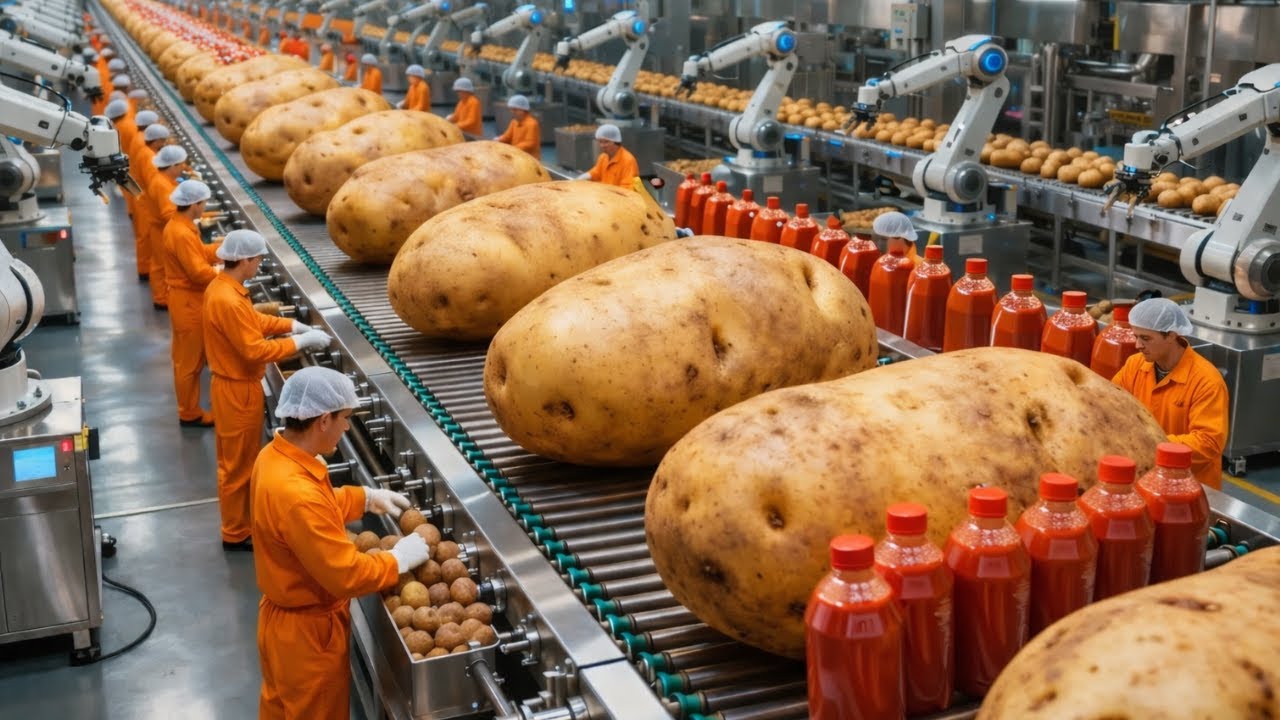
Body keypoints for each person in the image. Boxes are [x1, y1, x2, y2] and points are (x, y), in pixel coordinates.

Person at [253, 366, 430, 720]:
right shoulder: (297, 494)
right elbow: (345, 575)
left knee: (280, 710)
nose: (347, 427)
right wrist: (396, 560)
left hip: (281, 625)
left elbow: (311, 511)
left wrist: (362, 498)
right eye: (345, 418)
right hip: (307, 638)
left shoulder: (275, 457)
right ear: (322, 421)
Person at [204, 230, 329, 551]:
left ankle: (240, 523)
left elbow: (253, 322)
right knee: (237, 466)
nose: (259, 265)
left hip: (235, 387)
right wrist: (299, 343)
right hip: (237, 390)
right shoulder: (227, 299)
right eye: (258, 260)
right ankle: (235, 532)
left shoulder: (225, 288)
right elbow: (254, 351)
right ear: (244, 259)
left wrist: (291, 326)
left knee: (237, 462)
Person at [1112, 298, 1229, 489]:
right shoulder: (1135, 365)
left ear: (1171, 335)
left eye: (1146, 338)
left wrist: (1150, 442)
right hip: (1144, 477)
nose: (1137, 345)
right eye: (1136, 337)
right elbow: (1111, 405)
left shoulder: (1206, 381)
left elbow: (1208, 442)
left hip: (1189, 488)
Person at [161, 179, 224, 428]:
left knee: (185, 358)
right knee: (190, 362)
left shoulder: (182, 225)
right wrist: (222, 273)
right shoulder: (181, 232)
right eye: (203, 203)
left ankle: (189, 408)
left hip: (186, 299)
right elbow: (198, 273)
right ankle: (189, 413)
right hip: (188, 302)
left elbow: (199, 254)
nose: (205, 206)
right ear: (194, 204)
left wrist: (225, 249)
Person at [141, 144, 188, 308]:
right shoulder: (162, 185)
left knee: (159, 263)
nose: (183, 167)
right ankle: (161, 299)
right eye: (181, 164)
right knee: (161, 265)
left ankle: (161, 296)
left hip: (159, 228)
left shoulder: (164, 179)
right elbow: (168, 214)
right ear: (173, 165)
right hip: (162, 230)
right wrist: (188, 222)